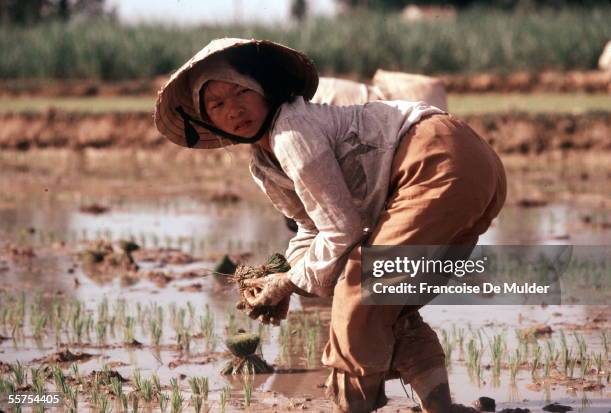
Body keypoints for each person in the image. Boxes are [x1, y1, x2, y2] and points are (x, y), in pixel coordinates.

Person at [155, 38, 506, 413]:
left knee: (360, 292)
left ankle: (349, 407)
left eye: (241, 92)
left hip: (437, 161)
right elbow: (311, 227)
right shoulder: (264, 160)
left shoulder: (292, 131)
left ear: (265, 90)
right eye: (217, 104)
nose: (234, 109)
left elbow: (343, 230)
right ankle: (441, 407)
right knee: (391, 305)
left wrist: (288, 281)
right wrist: (286, 279)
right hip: (468, 163)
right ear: (206, 119)